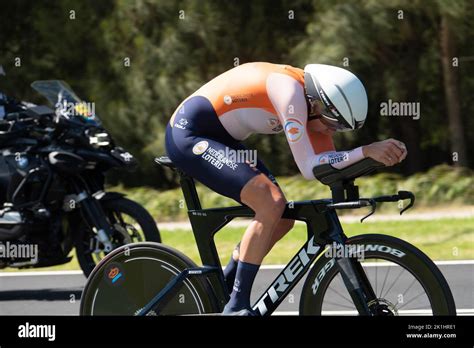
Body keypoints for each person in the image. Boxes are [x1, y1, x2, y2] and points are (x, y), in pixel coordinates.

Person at [165, 62, 407, 315]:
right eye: (333, 124)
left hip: (223, 138)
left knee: (281, 219)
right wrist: (366, 151)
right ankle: (236, 307)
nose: (331, 131)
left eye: (340, 128)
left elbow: (329, 168)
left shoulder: (315, 111)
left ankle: (223, 286)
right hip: (189, 134)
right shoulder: (290, 93)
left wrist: (375, 159)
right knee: (270, 203)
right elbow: (308, 167)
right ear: (317, 105)